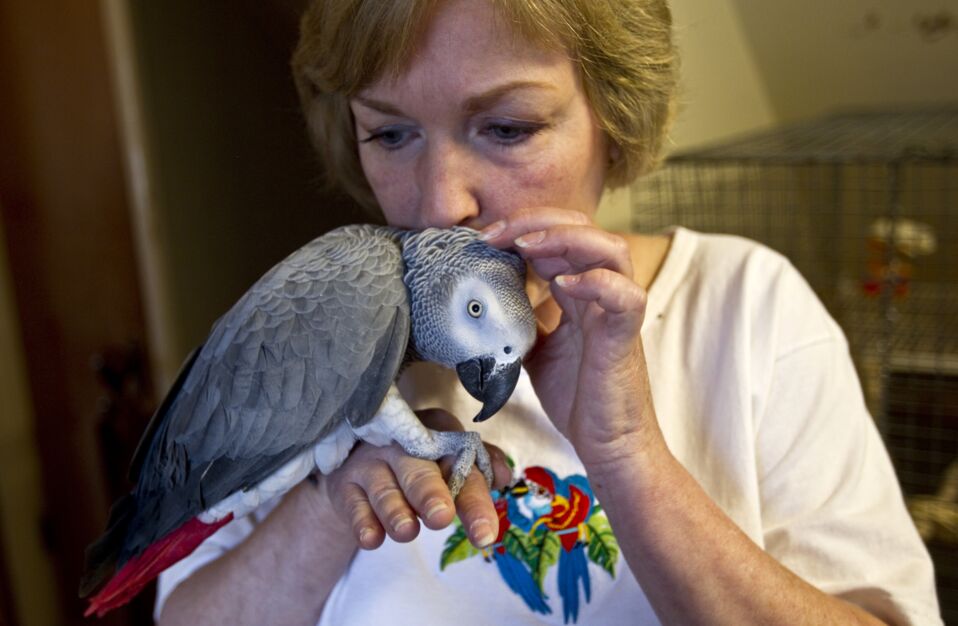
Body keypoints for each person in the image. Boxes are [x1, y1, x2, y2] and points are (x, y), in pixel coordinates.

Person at [155, 0, 942, 624]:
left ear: (615, 112)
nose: (440, 204)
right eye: (389, 133)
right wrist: (331, 504)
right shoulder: (310, 328)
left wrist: (628, 454)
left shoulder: (748, 307)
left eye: (508, 128)